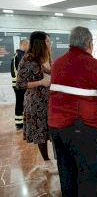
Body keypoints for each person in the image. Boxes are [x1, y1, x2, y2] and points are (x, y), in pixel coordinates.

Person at [48, 26, 97, 197]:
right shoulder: (92, 64)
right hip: (79, 127)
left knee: (67, 170)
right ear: (89, 43)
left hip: (56, 127)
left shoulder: (58, 62)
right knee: (89, 171)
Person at [16, 31, 56, 171]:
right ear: (40, 43)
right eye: (47, 42)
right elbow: (20, 84)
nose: (50, 44)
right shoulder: (27, 59)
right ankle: (47, 161)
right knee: (41, 133)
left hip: (51, 101)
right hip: (36, 103)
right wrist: (40, 82)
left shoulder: (47, 57)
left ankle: (57, 158)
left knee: (53, 130)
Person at [11, 39, 29, 130]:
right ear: (24, 44)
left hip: (17, 85)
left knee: (20, 103)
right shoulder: (21, 56)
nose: (29, 47)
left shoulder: (16, 55)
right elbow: (23, 72)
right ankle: (21, 124)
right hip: (21, 85)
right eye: (28, 45)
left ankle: (19, 123)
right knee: (22, 104)